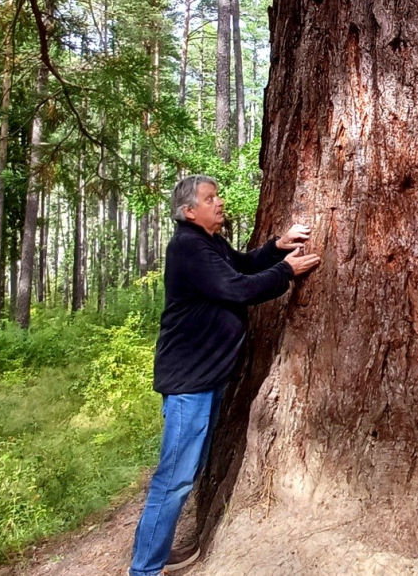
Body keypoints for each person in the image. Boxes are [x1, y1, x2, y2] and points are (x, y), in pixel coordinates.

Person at [128, 175, 320, 576]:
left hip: (206, 377)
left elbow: (241, 265)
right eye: (209, 198)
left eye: (217, 196)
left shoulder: (208, 242)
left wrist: (276, 247)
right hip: (189, 382)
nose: (219, 202)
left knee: (186, 472)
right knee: (174, 478)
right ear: (188, 211)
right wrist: (286, 271)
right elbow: (238, 288)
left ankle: (154, 556)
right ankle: (144, 569)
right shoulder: (188, 246)